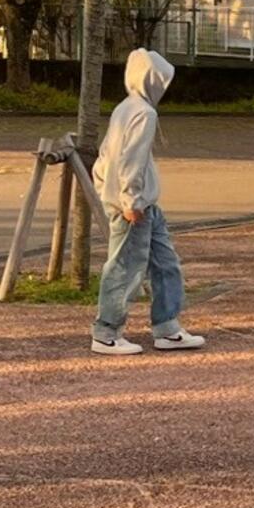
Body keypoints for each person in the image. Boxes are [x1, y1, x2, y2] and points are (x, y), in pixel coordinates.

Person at [90, 48, 204, 359]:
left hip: (143, 205)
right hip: (136, 206)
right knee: (125, 268)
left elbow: (106, 156)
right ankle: (106, 332)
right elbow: (132, 160)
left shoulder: (125, 108)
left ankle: (167, 327)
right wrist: (131, 200)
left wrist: (108, 189)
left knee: (164, 263)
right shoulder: (144, 112)